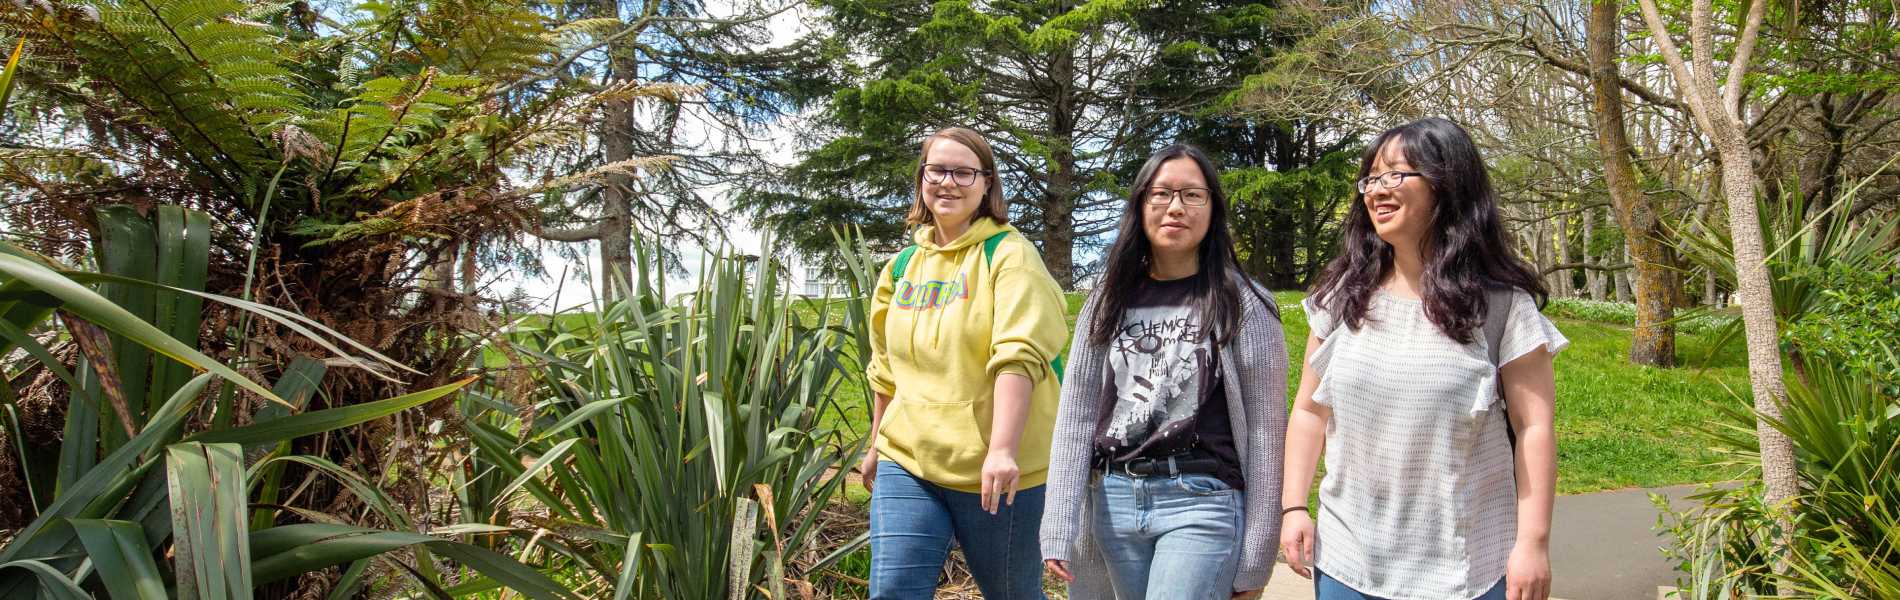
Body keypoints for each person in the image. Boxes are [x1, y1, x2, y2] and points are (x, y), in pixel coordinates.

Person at [1278, 117, 1564, 600]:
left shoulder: (1500, 307)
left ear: (1447, 184)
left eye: (1396, 175)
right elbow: (1309, 410)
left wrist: (1532, 544)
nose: (1376, 190)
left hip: (1465, 568)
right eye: (1371, 177)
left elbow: (1534, 427)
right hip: (1348, 560)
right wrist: (1293, 508)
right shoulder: (1339, 299)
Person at [1039, 144, 1289, 600]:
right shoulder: (1107, 298)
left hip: (1202, 501)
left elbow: (1268, 434)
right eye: (1161, 194)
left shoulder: (1245, 302)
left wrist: (1257, 553)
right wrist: (1059, 523)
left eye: (1192, 195)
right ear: (1140, 205)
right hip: (1115, 501)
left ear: (1213, 208)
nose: (1175, 207)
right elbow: (1075, 418)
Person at [860, 126, 1069, 600]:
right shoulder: (901, 267)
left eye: (963, 172)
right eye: (937, 170)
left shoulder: (1010, 257)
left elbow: (1018, 357)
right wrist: (877, 443)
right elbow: (885, 367)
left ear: (986, 184)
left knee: (1012, 594)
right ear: (921, 179)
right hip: (908, 458)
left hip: (998, 472)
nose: (947, 182)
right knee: (893, 591)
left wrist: (1002, 449)